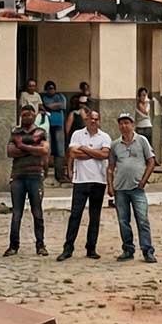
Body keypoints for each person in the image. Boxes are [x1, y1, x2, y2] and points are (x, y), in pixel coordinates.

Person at [58, 108, 113, 260]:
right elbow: (74, 154)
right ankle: (68, 248)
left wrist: (83, 149)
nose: (93, 121)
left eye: (96, 119)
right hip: (80, 180)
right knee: (75, 215)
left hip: (98, 180)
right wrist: (94, 152)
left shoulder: (105, 136)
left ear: (99, 120)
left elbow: (105, 155)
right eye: (91, 118)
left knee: (94, 217)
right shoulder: (77, 134)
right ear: (86, 120)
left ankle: (91, 248)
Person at [111, 112, 157, 262]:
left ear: (133, 125)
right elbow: (110, 166)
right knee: (123, 221)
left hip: (138, 188)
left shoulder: (142, 140)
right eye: (121, 123)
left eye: (127, 123)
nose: (124, 126)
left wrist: (144, 180)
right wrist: (110, 185)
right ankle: (128, 249)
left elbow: (151, 161)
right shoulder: (115, 144)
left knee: (142, 220)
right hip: (120, 188)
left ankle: (147, 250)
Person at [6, 102, 50, 255]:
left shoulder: (41, 132)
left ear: (35, 115)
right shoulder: (15, 132)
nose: (27, 117)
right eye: (24, 115)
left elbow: (44, 150)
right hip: (18, 176)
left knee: (37, 212)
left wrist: (22, 146)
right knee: (16, 212)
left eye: (30, 114)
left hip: (35, 176)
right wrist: (33, 149)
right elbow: (10, 151)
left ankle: (40, 245)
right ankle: (13, 245)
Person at [42, 80, 69, 181]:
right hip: (48, 125)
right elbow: (47, 105)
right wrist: (55, 105)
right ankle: (44, 174)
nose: (51, 90)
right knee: (47, 149)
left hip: (59, 125)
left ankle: (60, 175)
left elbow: (63, 105)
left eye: (53, 88)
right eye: (49, 88)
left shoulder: (60, 96)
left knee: (60, 150)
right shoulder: (44, 97)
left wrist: (53, 106)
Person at [133, 86, 155, 174]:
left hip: (148, 126)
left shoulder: (148, 104)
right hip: (140, 127)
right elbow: (144, 112)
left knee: (148, 147)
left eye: (145, 95)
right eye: (142, 95)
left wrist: (146, 102)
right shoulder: (137, 105)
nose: (144, 97)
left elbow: (147, 112)